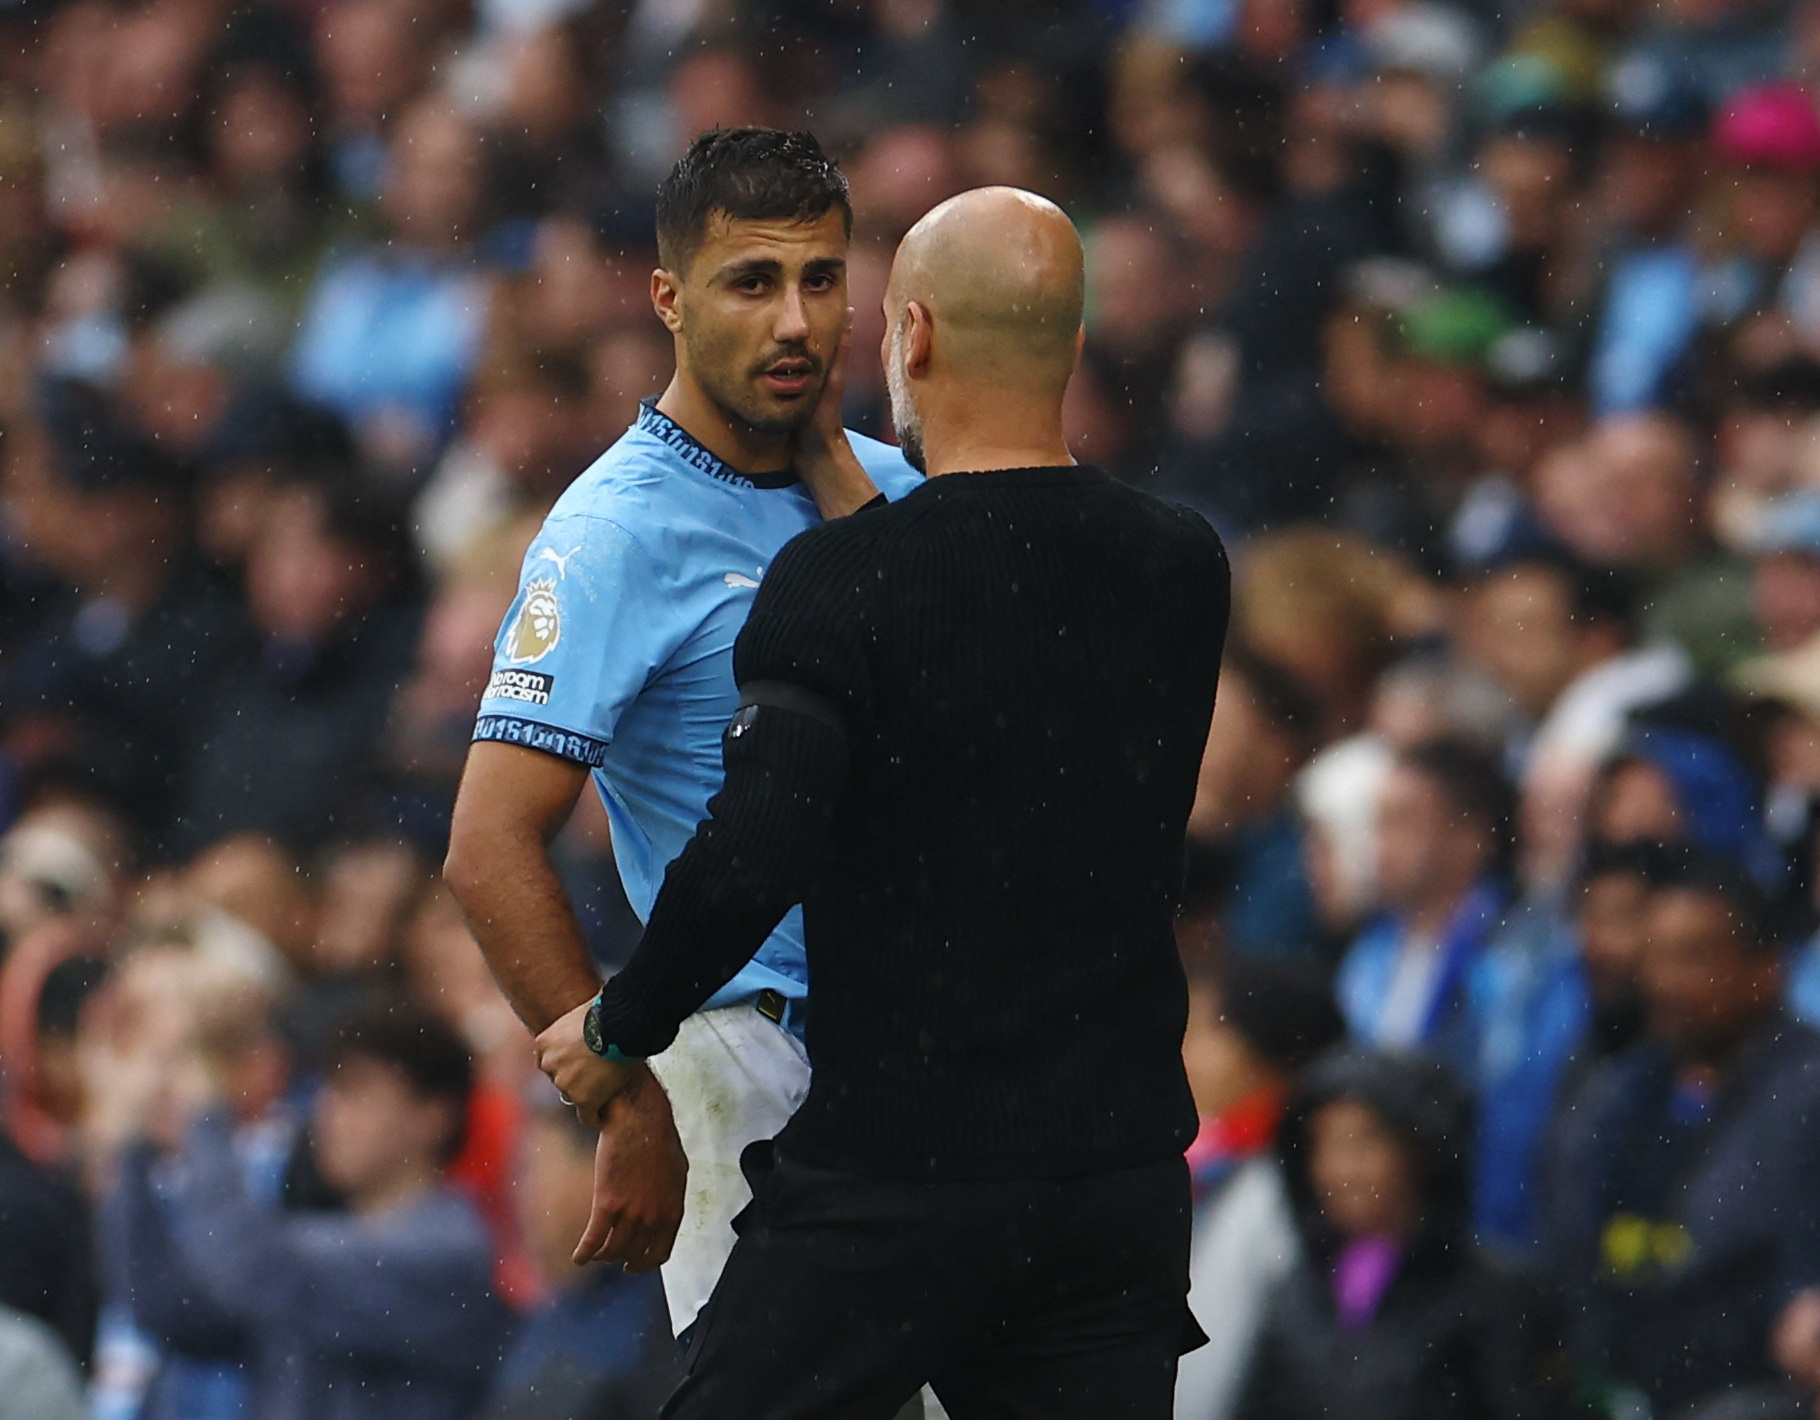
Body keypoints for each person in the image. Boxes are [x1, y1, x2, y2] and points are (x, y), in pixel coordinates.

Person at [537, 186, 1230, 1414]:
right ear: (1069, 344)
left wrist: (618, 1026)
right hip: (1113, 1178)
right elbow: (1000, 624)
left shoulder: (836, 581)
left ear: (908, 338)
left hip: (901, 1175)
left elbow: (752, 848)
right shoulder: (1178, 560)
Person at [442, 127, 921, 1340]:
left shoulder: (892, 487)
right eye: (751, 283)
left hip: (931, 1047)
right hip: (745, 1059)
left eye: (820, 278)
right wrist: (631, 1101)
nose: (797, 322)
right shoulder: (611, 534)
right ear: (666, 296)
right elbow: (487, 844)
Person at [1544, 848, 1820, 1417]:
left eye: (1694, 957)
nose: (1666, 982)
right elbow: (1567, 1256)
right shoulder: (1612, 1092)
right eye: (1656, 958)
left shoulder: (1807, 1094)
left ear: (1766, 968)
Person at [1233, 1048, 1563, 1420]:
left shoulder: (1494, 1297)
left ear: (1420, 1151)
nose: (1339, 1171)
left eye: (1363, 1143)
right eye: (1323, 1144)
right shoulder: (1299, 1290)